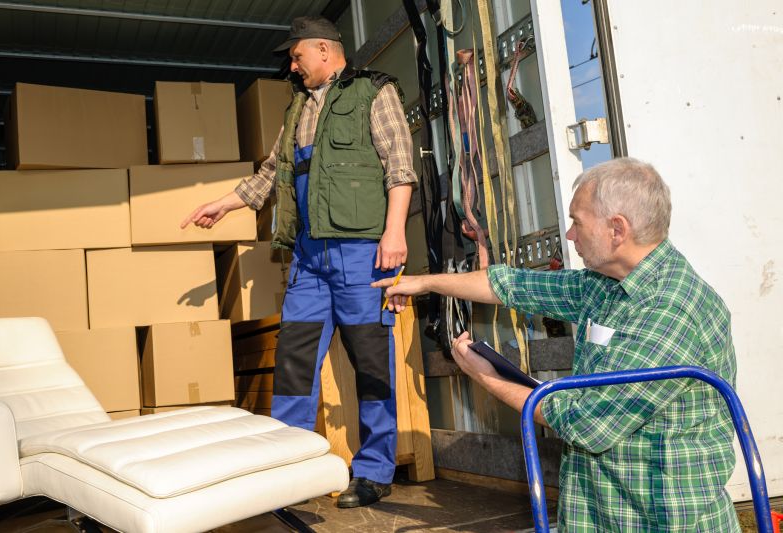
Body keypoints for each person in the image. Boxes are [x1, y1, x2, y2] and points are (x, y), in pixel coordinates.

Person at [374, 158, 741, 531]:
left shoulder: (668, 312)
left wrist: (486, 376)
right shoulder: (608, 284)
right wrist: (424, 283)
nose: (569, 234)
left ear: (617, 229)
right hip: (600, 514)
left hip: (655, 521)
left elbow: (586, 424)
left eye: (577, 222)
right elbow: (513, 286)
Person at [181, 16, 416, 508]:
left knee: (371, 364)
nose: (292, 65)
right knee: (293, 363)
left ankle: (373, 471)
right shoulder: (297, 109)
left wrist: (395, 231)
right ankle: (285, 470)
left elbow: (399, 163)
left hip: (360, 252)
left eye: (296, 56)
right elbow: (270, 175)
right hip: (309, 258)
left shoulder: (374, 93)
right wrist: (221, 203)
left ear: (325, 50)